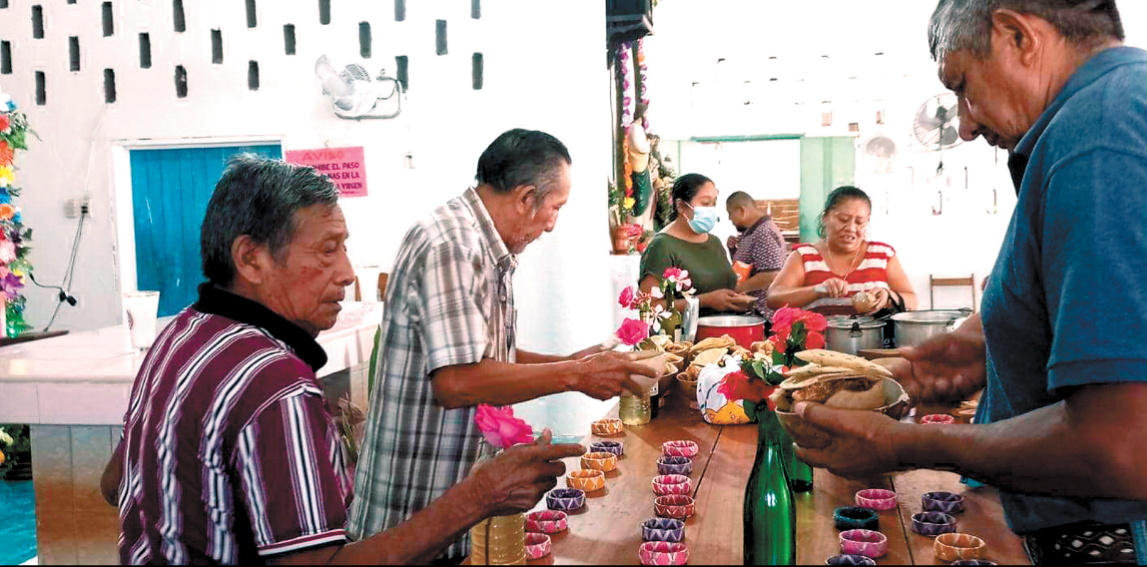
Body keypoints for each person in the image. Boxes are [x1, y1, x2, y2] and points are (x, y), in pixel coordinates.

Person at [788, 0, 1147, 565]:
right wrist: (945, 361)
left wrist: (903, 444)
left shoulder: (1106, 133)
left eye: (963, 86)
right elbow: (1131, 326)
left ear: (1017, 36)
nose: (965, 122)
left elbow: (1127, 450)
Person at [98, 155, 583, 565]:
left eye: (344, 248)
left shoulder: (180, 335)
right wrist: (480, 496)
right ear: (251, 259)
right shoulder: (274, 382)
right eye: (328, 250)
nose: (347, 273)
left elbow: (117, 481)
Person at [347, 129, 655, 561]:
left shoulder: (483, 246)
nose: (551, 225)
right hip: (408, 517)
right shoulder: (451, 244)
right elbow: (456, 381)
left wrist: (571, 362)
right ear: (526, 198)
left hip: (450, 512)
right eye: (555, 208)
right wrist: (573, 375)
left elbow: (487, 358)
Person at [766, 186, 916, 317]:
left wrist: (889, 295)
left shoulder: (883, 255)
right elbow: (773, 298)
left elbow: (912, 300)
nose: (851, 228)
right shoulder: (804, 256)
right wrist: (817, 290)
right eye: (843, 219)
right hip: (818, 348)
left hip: (875, 347)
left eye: (859, 222)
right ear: (825, 218)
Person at [639, 173, 751, 316]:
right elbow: (648, 306)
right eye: (705, 203)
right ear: (680, 206)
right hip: (687, 336)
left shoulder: (714, 242)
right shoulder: (662, 246)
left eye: (714, 203)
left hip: (725, 332)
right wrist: (702, 301)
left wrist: (737, 298)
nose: (710, 209)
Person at [725, 191, 788, 320]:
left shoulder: (764, 233)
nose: (729, 219)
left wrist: (738, 289)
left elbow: (772, 274)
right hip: (752, 312)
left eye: (730, 213)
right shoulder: (752, 232)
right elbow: (749, 267)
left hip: (762, 314)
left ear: (742, 210)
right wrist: (733, 251)